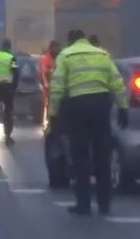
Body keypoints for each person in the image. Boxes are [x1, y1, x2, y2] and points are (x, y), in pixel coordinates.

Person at [47, 30, 129, 216]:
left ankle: (83, 204)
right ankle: (104, 204)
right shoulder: (102, 55)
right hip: (101, 106)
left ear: (70, 41)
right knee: (102, 156)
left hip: (77, 109)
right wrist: (123, 108)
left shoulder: (66, 56)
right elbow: (117, 83)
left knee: (80, 157)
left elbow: (57, 86)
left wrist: (53, 113)